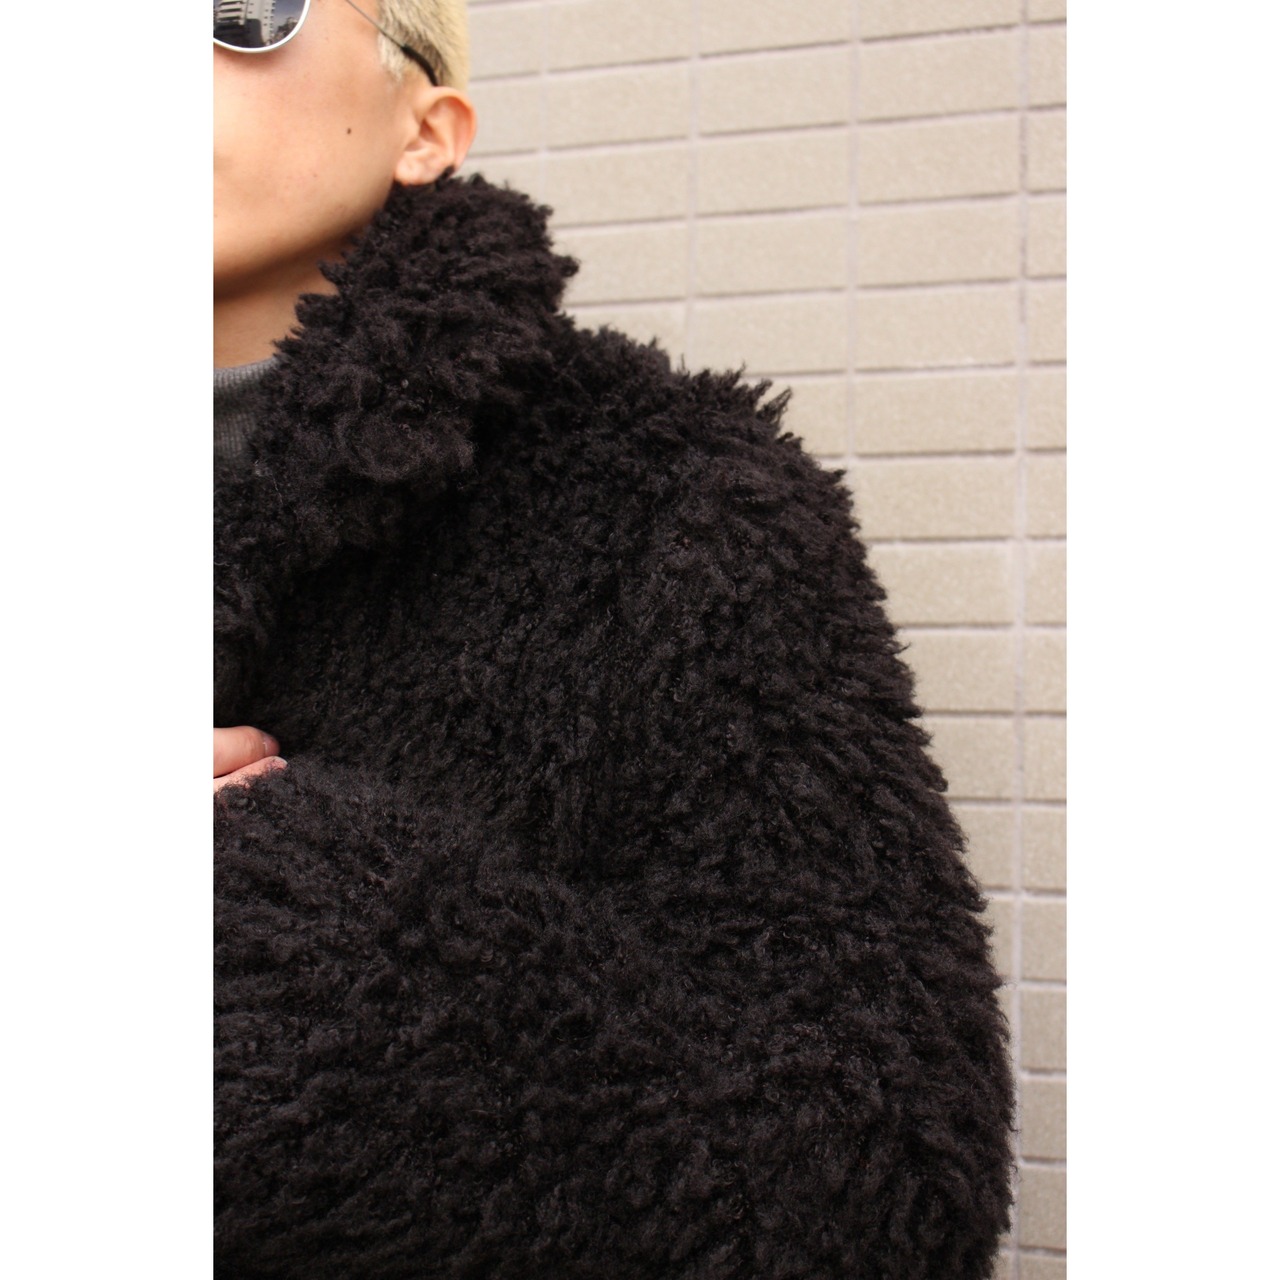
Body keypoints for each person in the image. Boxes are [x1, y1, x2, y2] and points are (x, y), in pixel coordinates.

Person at [213, 2, 1015, 1276]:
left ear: (427, 127)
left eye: (234, 12)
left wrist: (280, 927)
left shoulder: (672, 503)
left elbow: (881, 1187)